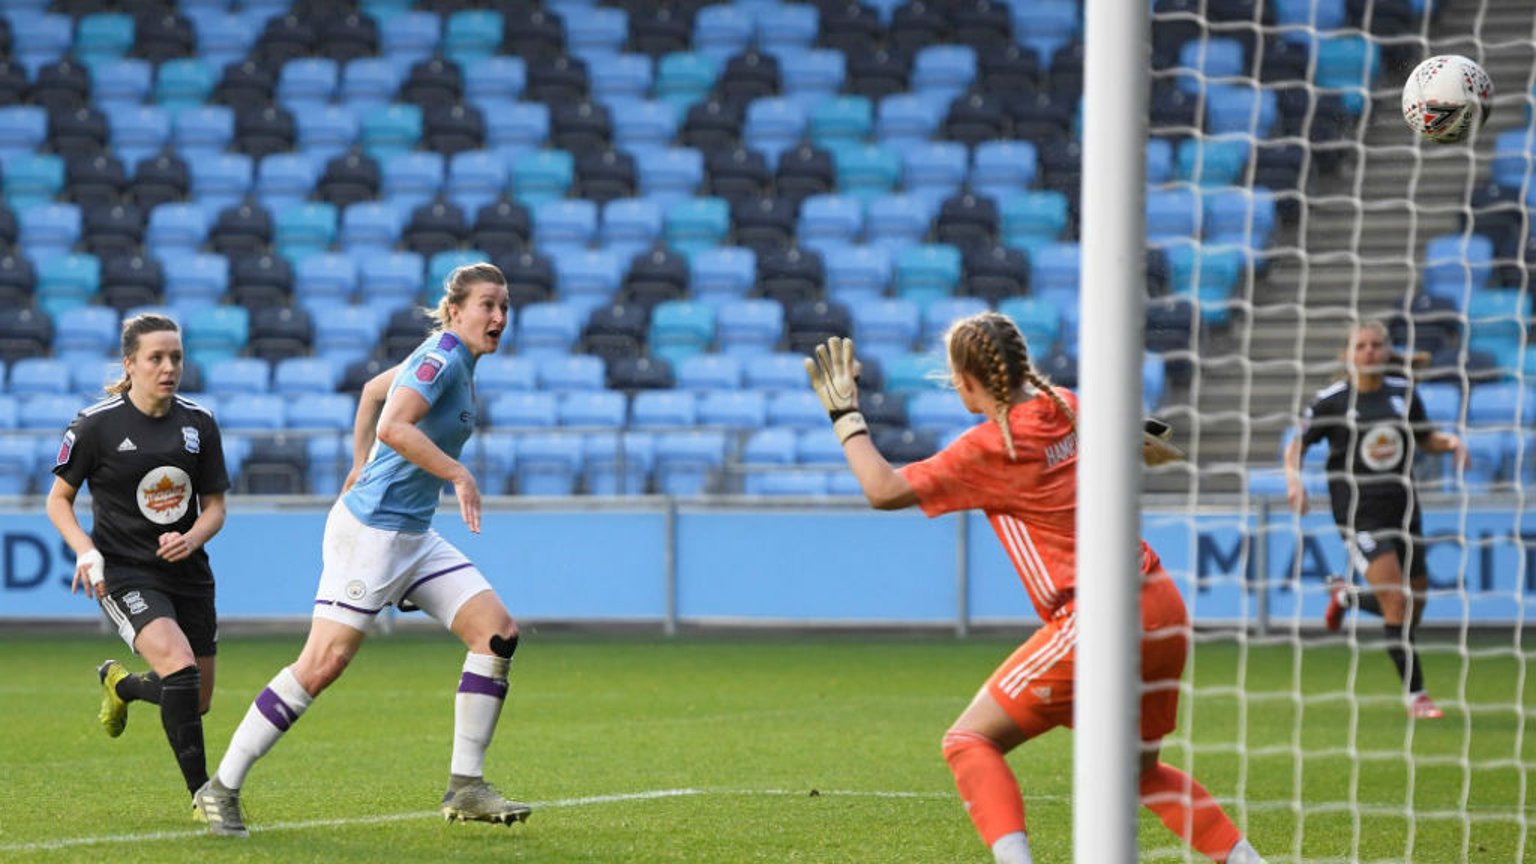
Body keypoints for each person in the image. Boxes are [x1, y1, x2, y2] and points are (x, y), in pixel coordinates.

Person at [804, 318, 1266, 864]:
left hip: (1096, 617)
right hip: (1160, 602)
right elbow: (1136, 432)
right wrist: (1139, 436)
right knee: (1138, 772)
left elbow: (883, 490)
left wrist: (845, 415)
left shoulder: (989, 447)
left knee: (969, 741)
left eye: (955, 376)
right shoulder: (1067, 403)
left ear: (969, 381)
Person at [194, 263, 528, 836]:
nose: (498, 317)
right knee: (322, 665)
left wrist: (357, 464)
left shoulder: (453, 360)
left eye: (503, 307)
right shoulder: (441, 359)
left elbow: (375, 391)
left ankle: (466, 785)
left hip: (413, 534)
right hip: (371, 533)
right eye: (487, 305)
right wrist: (457, 474)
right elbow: (394, 425)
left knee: (496, 632)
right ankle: (220, 787)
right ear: (455, 311)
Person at [46, 312, 230, 811]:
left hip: (189, 573)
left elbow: (215, 507)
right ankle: (205, 796)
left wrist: (190, 538)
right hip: (126, 572)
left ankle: (121, 684)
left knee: (197, 699)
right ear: (131, 364)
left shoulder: (199, 424)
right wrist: (86, 552)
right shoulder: (95, 426)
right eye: (156, 358)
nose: (168, 367)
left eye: (176, 357)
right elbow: (57, 500)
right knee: (180, 667)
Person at [1284, 319, 1466, 720]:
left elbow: (1426, 437)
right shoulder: (1331, 401)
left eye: (1376, 345)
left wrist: (1450, 442)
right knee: (1396, 601)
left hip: (1404, 508)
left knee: (1412, 606)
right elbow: (1295, 446)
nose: (1368, 352)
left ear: (1386, 351)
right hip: (1358, 513)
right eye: (1361, 345)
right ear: (1348, 354)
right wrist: (1295, 482)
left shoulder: (1403, 393)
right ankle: (1417, 696)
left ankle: (1346, 596)